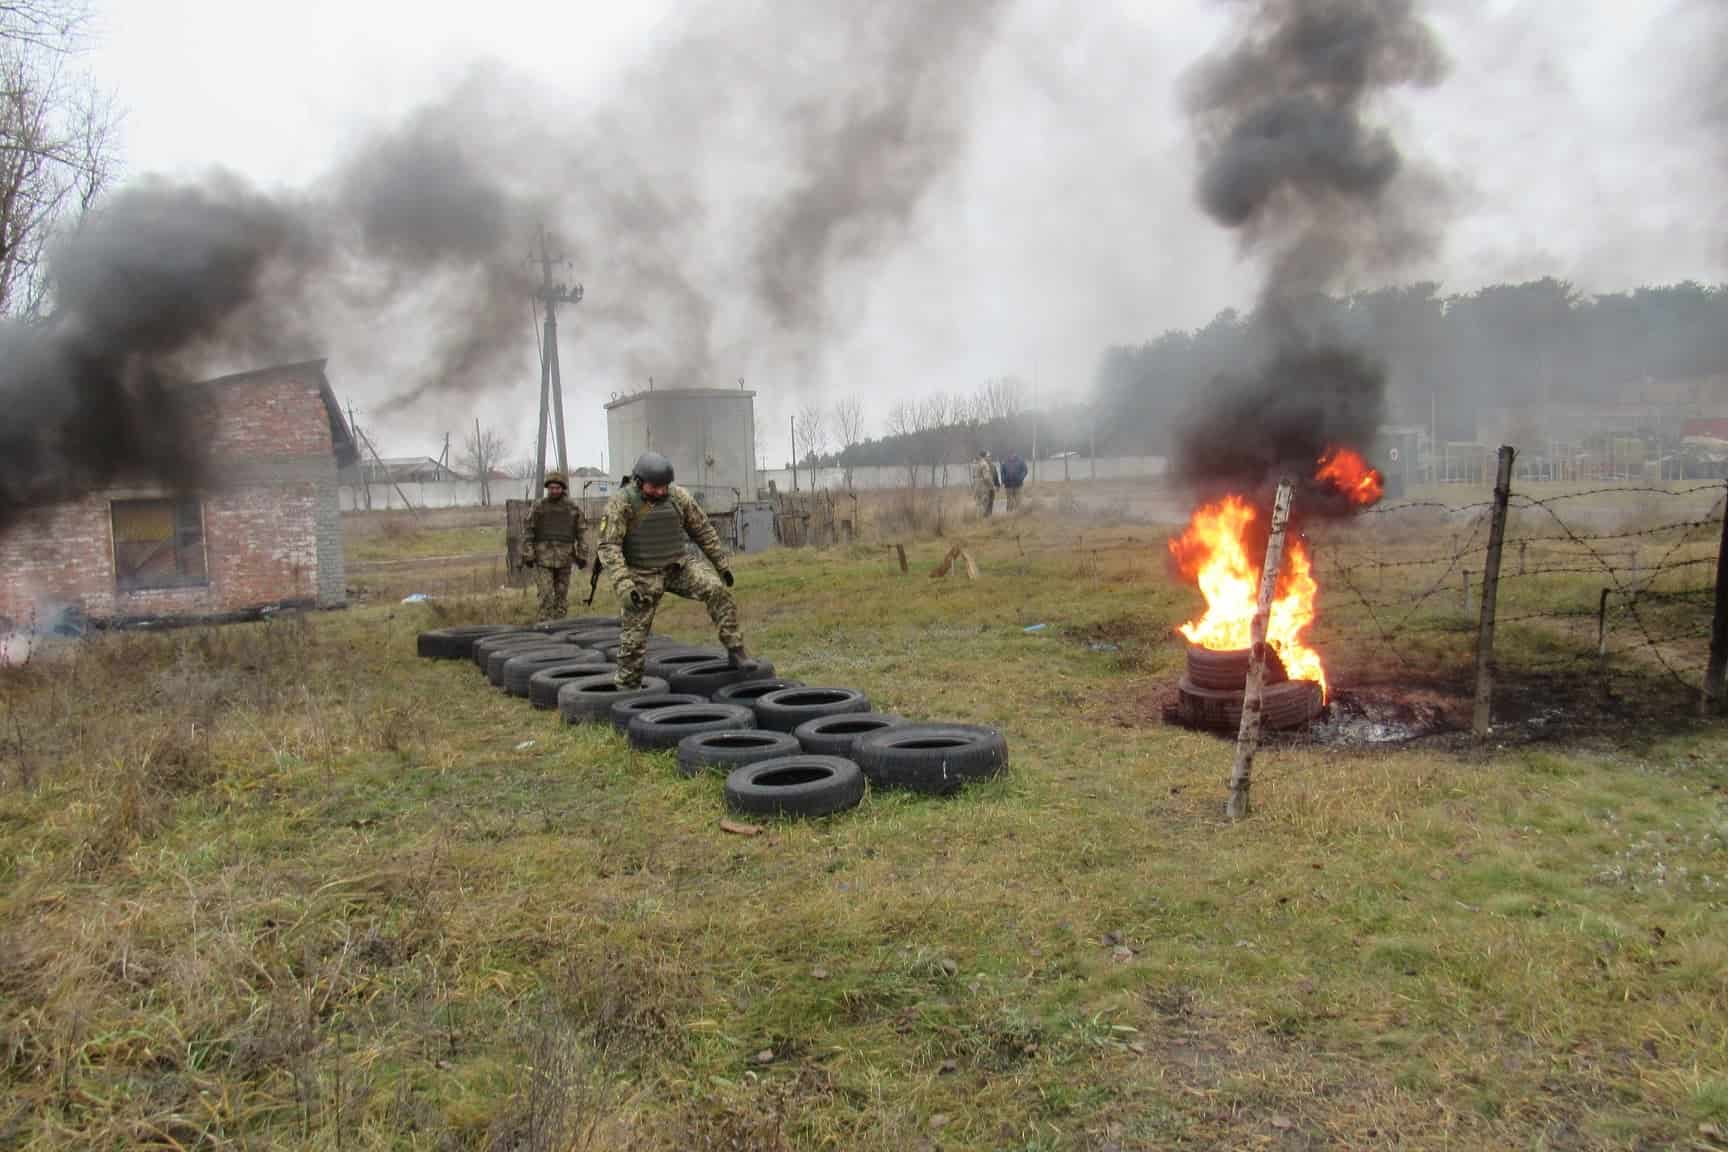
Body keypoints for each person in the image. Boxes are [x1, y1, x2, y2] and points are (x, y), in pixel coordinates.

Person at [597, 452, 756, 688]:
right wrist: (624, 585)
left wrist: (721, 565)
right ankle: (627, 687)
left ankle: (736, 650)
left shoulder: (678, 497)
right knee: (634, 638)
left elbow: (702, 530)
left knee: (716, 590)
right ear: (639, 481)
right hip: (642, 573)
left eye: (664, 486)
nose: (660, 492)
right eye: (654, 487)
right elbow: (609, 547)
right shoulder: (622, 503)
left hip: (678, 567)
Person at [518, 471, 587, 620]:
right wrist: (528, 553)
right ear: (547, 489)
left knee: (561, 598)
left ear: (563, 489)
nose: (554, 491)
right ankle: (545, 628)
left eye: (557, 488)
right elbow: (528, 531)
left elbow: (581, 532)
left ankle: (560, 629)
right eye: (551, 488)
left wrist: (582, 555)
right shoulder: (538, 507)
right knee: (546, 596)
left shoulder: (572, 508)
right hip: (543, 559)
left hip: (565, 558)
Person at [971, 450, 999, 518]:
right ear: (985, 456)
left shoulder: (975, 463)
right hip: (983, 486)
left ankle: (978, 519)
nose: (989, 457)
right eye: (988, 456)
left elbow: (974, 476)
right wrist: (992, 486)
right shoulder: (984, 464)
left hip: (976, 486)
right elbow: (986, 477)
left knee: (978, 504)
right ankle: (983, 519)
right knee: (984, 504)